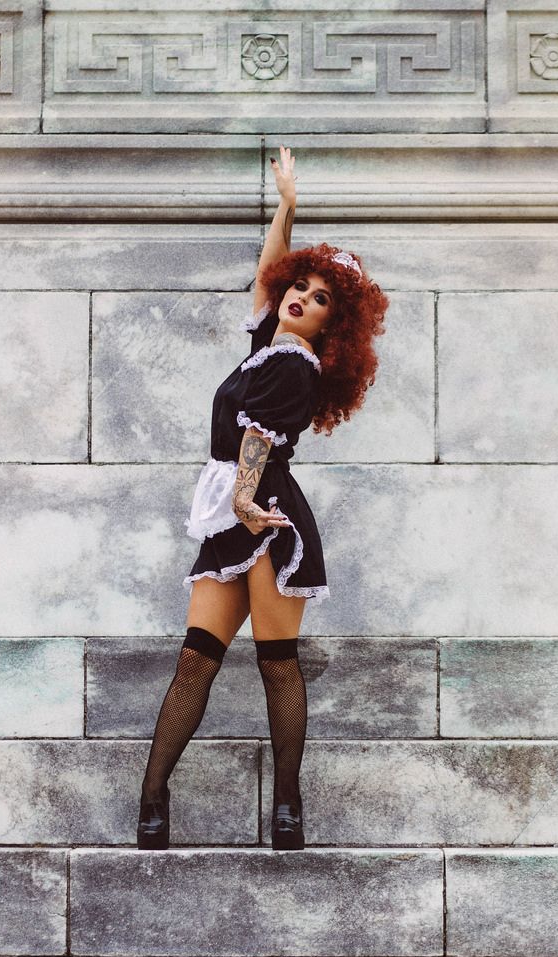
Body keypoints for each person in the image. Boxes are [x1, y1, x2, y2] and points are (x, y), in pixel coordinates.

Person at [137, 144, 390, 851]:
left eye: (318, 301)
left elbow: (258, 438)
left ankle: (286, 806)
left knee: (276, 662)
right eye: (298, 286)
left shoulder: (291, 362)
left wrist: (245, 504)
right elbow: (263, 276)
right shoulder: (264, 341)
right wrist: (285, 206)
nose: (300, 297)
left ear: (328, 334)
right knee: (196, 658)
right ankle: (153, 798)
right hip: (237, 511)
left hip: (266, 515)